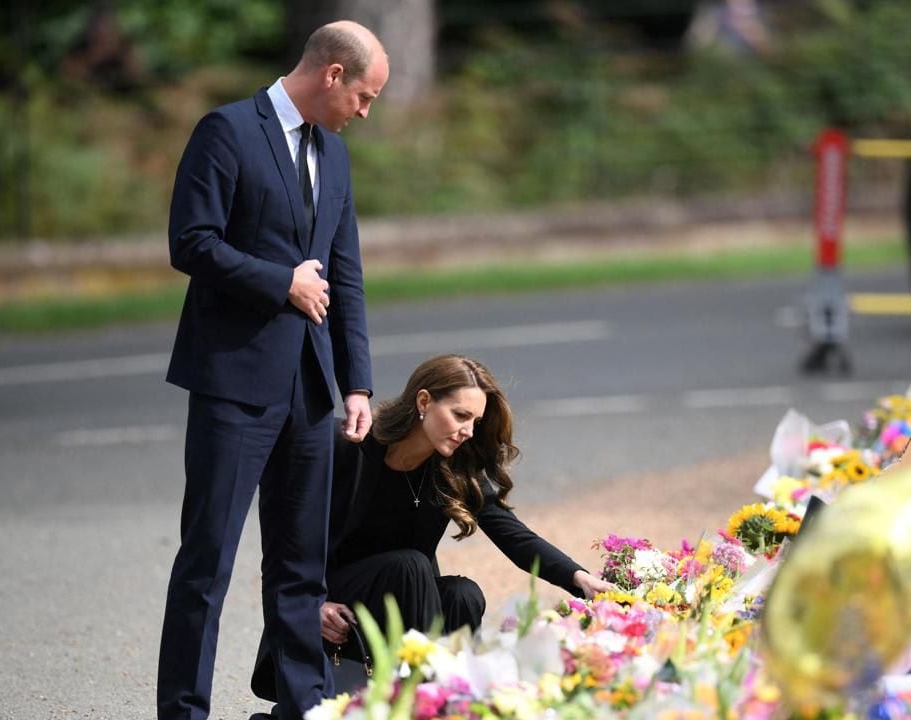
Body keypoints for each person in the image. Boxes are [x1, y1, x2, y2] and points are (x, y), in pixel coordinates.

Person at [157, 21, 388, 720]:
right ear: (333, 76)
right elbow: (190, 242)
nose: (366, 113)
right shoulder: (225, 132)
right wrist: (278, 282)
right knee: (207, 565)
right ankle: (183, 713)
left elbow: (345, 277)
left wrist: (357, 382)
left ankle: (304, 708)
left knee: (299, 569)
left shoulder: (337, 159)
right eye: (366, 97)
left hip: (312, 389)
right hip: (233, 383)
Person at [250, 355, 614, 702]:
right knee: (409, 565)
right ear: (424, 401)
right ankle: (428, 699)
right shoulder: (347, 445)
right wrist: (310, 603)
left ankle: (448, 701)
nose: (468, 431)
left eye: (475, 421)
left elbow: (513, 534)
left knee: (462, 593)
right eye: (459, 415)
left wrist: (578, 578)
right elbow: (285, 534)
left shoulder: (453, 468)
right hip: (331, 602)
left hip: (406, 597)